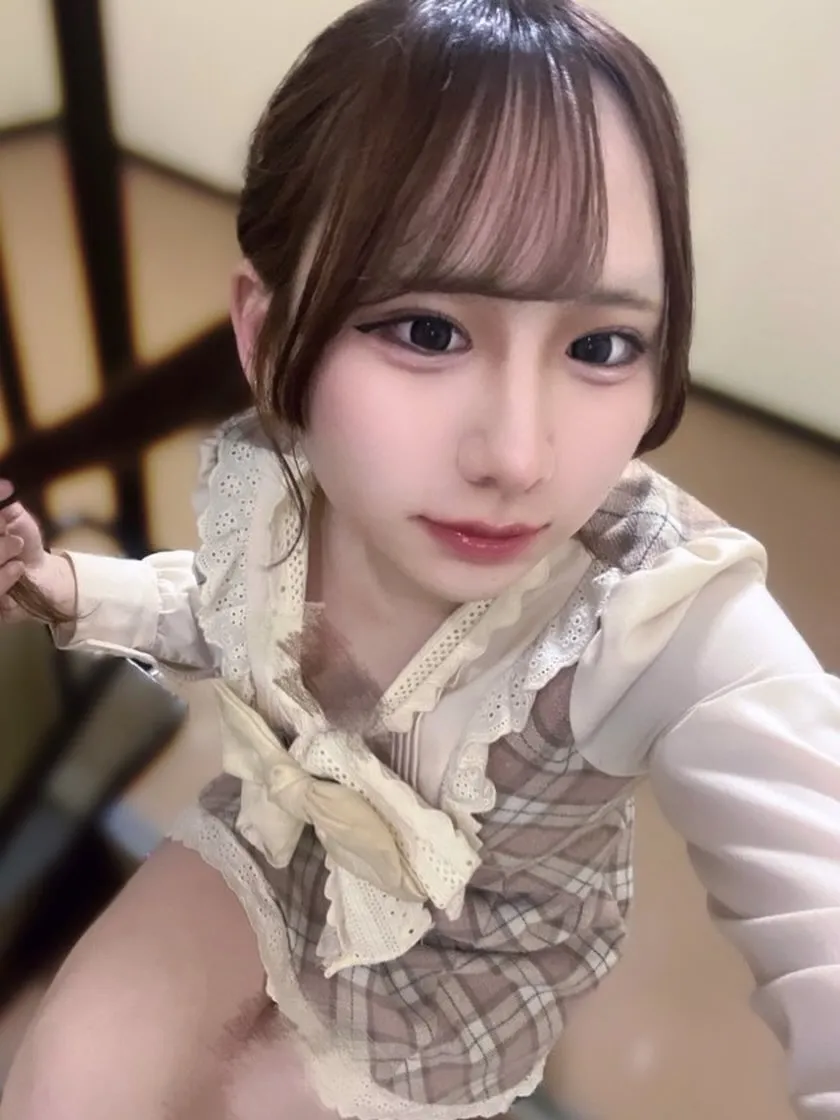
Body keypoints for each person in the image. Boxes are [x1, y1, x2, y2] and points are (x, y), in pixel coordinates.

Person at [0, 0, 838, 1117]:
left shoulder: (657, 615)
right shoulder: (290, 487)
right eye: (428, 331)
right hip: (276, 841)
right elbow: (223, 605)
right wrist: (63, 584)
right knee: (62, 1085)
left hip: (455, 986)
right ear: (266, 334)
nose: (519, 458)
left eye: (601, 345)